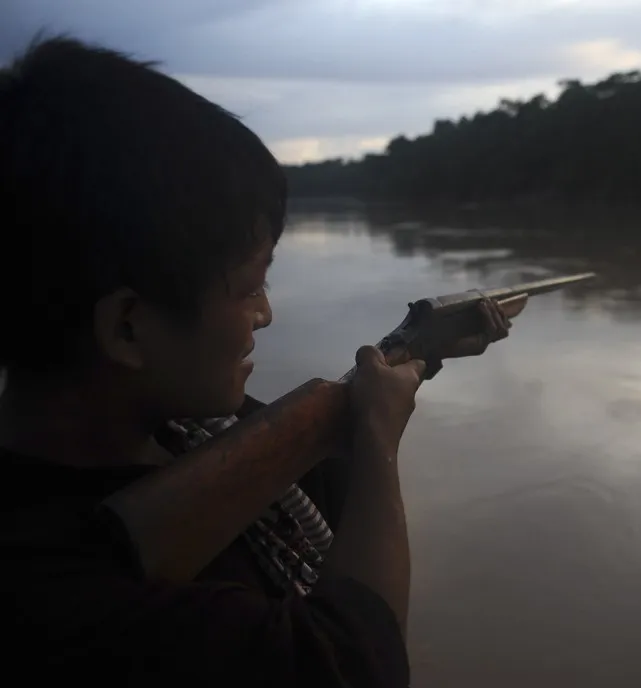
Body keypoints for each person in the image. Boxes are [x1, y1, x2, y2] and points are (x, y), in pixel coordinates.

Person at [0, 36, 508, 685]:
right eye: (249, 287)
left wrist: (421, 352)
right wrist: (380, 443)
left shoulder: (175, 427)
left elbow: (317, 448)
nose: (265, 313)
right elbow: (357, 661)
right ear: (128, 327)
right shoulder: (58, 604)